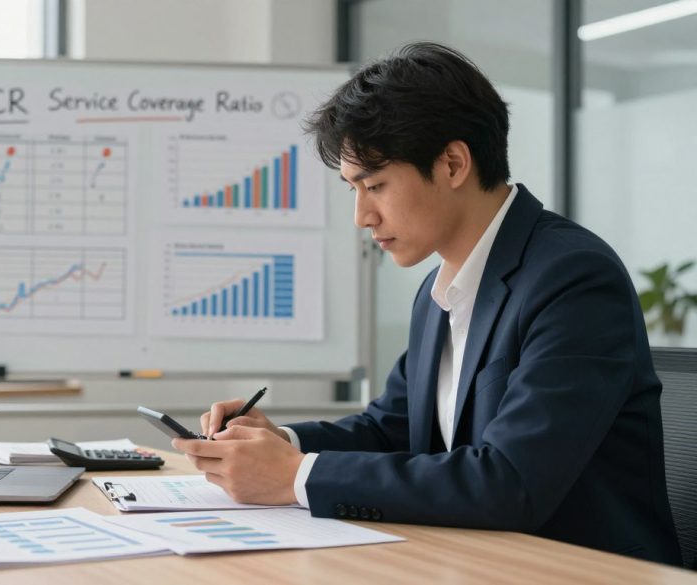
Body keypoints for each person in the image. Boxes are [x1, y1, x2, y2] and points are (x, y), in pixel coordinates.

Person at [171, 42, 682, 565]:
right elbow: (391, 428)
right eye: (353, 189)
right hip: (472, 560)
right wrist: (281, 439)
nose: (362, 216)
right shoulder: (439, 288)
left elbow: (511, 481)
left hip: (582, 570)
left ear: (453, 164)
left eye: (375, 185)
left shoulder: (572, 277)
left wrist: (295, 476)